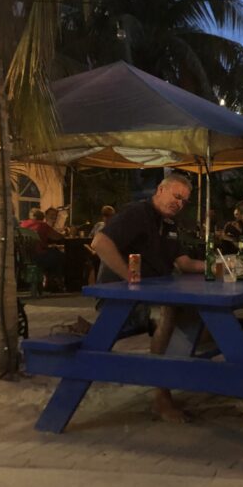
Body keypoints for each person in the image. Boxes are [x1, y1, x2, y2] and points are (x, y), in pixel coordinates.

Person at [91, 173, 205, 421]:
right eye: (176, 196)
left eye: (184, 201)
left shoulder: (171, 224)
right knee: (165, 312)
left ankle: (185, 375)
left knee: (199, 312)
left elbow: (183, 263)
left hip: (150, 296)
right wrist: (130, 278)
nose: (179, 203)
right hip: (120, 303)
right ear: (160, 190)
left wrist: (219, 266)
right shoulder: (137, 214)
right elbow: (99, 243)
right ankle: (162, 398)